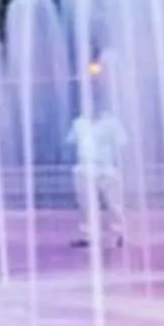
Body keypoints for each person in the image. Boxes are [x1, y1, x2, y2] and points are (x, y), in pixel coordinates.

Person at [68, 105, 125, 248]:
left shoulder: (112, 123)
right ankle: (88, 235)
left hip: (106, 168)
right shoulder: (79, 123)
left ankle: (119, 233)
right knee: (85, 204)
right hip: (84, 167)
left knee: (113, 203)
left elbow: (121, 144)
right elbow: (72, 141)